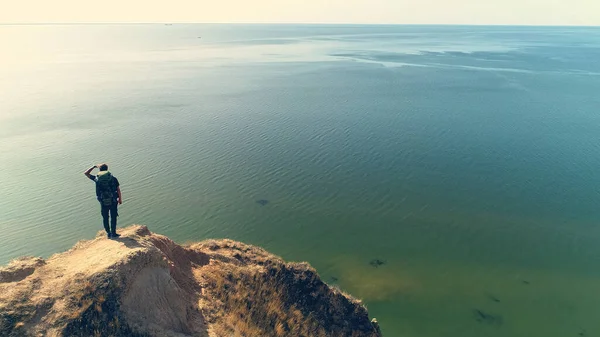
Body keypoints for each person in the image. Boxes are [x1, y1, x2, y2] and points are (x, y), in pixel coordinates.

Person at [84, 163, 122, 238]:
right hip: (113, 200)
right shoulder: (113, 178)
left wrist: (93, 166)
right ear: (107, 169)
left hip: (103, 201)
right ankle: (114, 233)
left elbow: (86, 173)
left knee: (105, 217)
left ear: (100, 170)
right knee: (113, 217)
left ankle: (108, 233)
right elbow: (118, 189)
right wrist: (120, 199)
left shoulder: (97, 179)